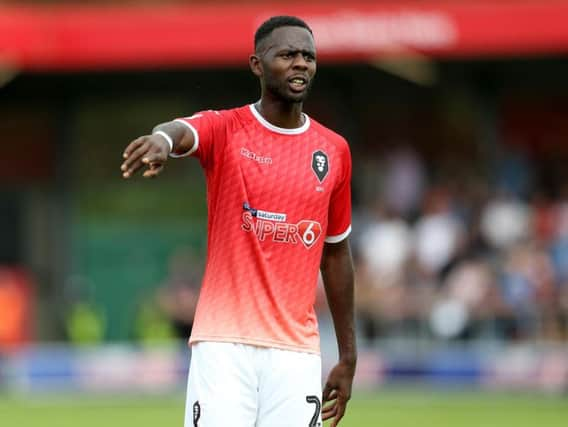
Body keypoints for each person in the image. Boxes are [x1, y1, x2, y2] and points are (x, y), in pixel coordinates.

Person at [120, 15, 356, 427]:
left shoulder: (333, 151)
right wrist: (159, 140)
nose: (301, 63)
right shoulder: (227, 130)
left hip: (296, 352)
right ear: (257, 65)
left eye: (308, 56)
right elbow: (180, 130)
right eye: (287, 55)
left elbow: (335, 255)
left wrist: (348, 356)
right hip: (223, 345)